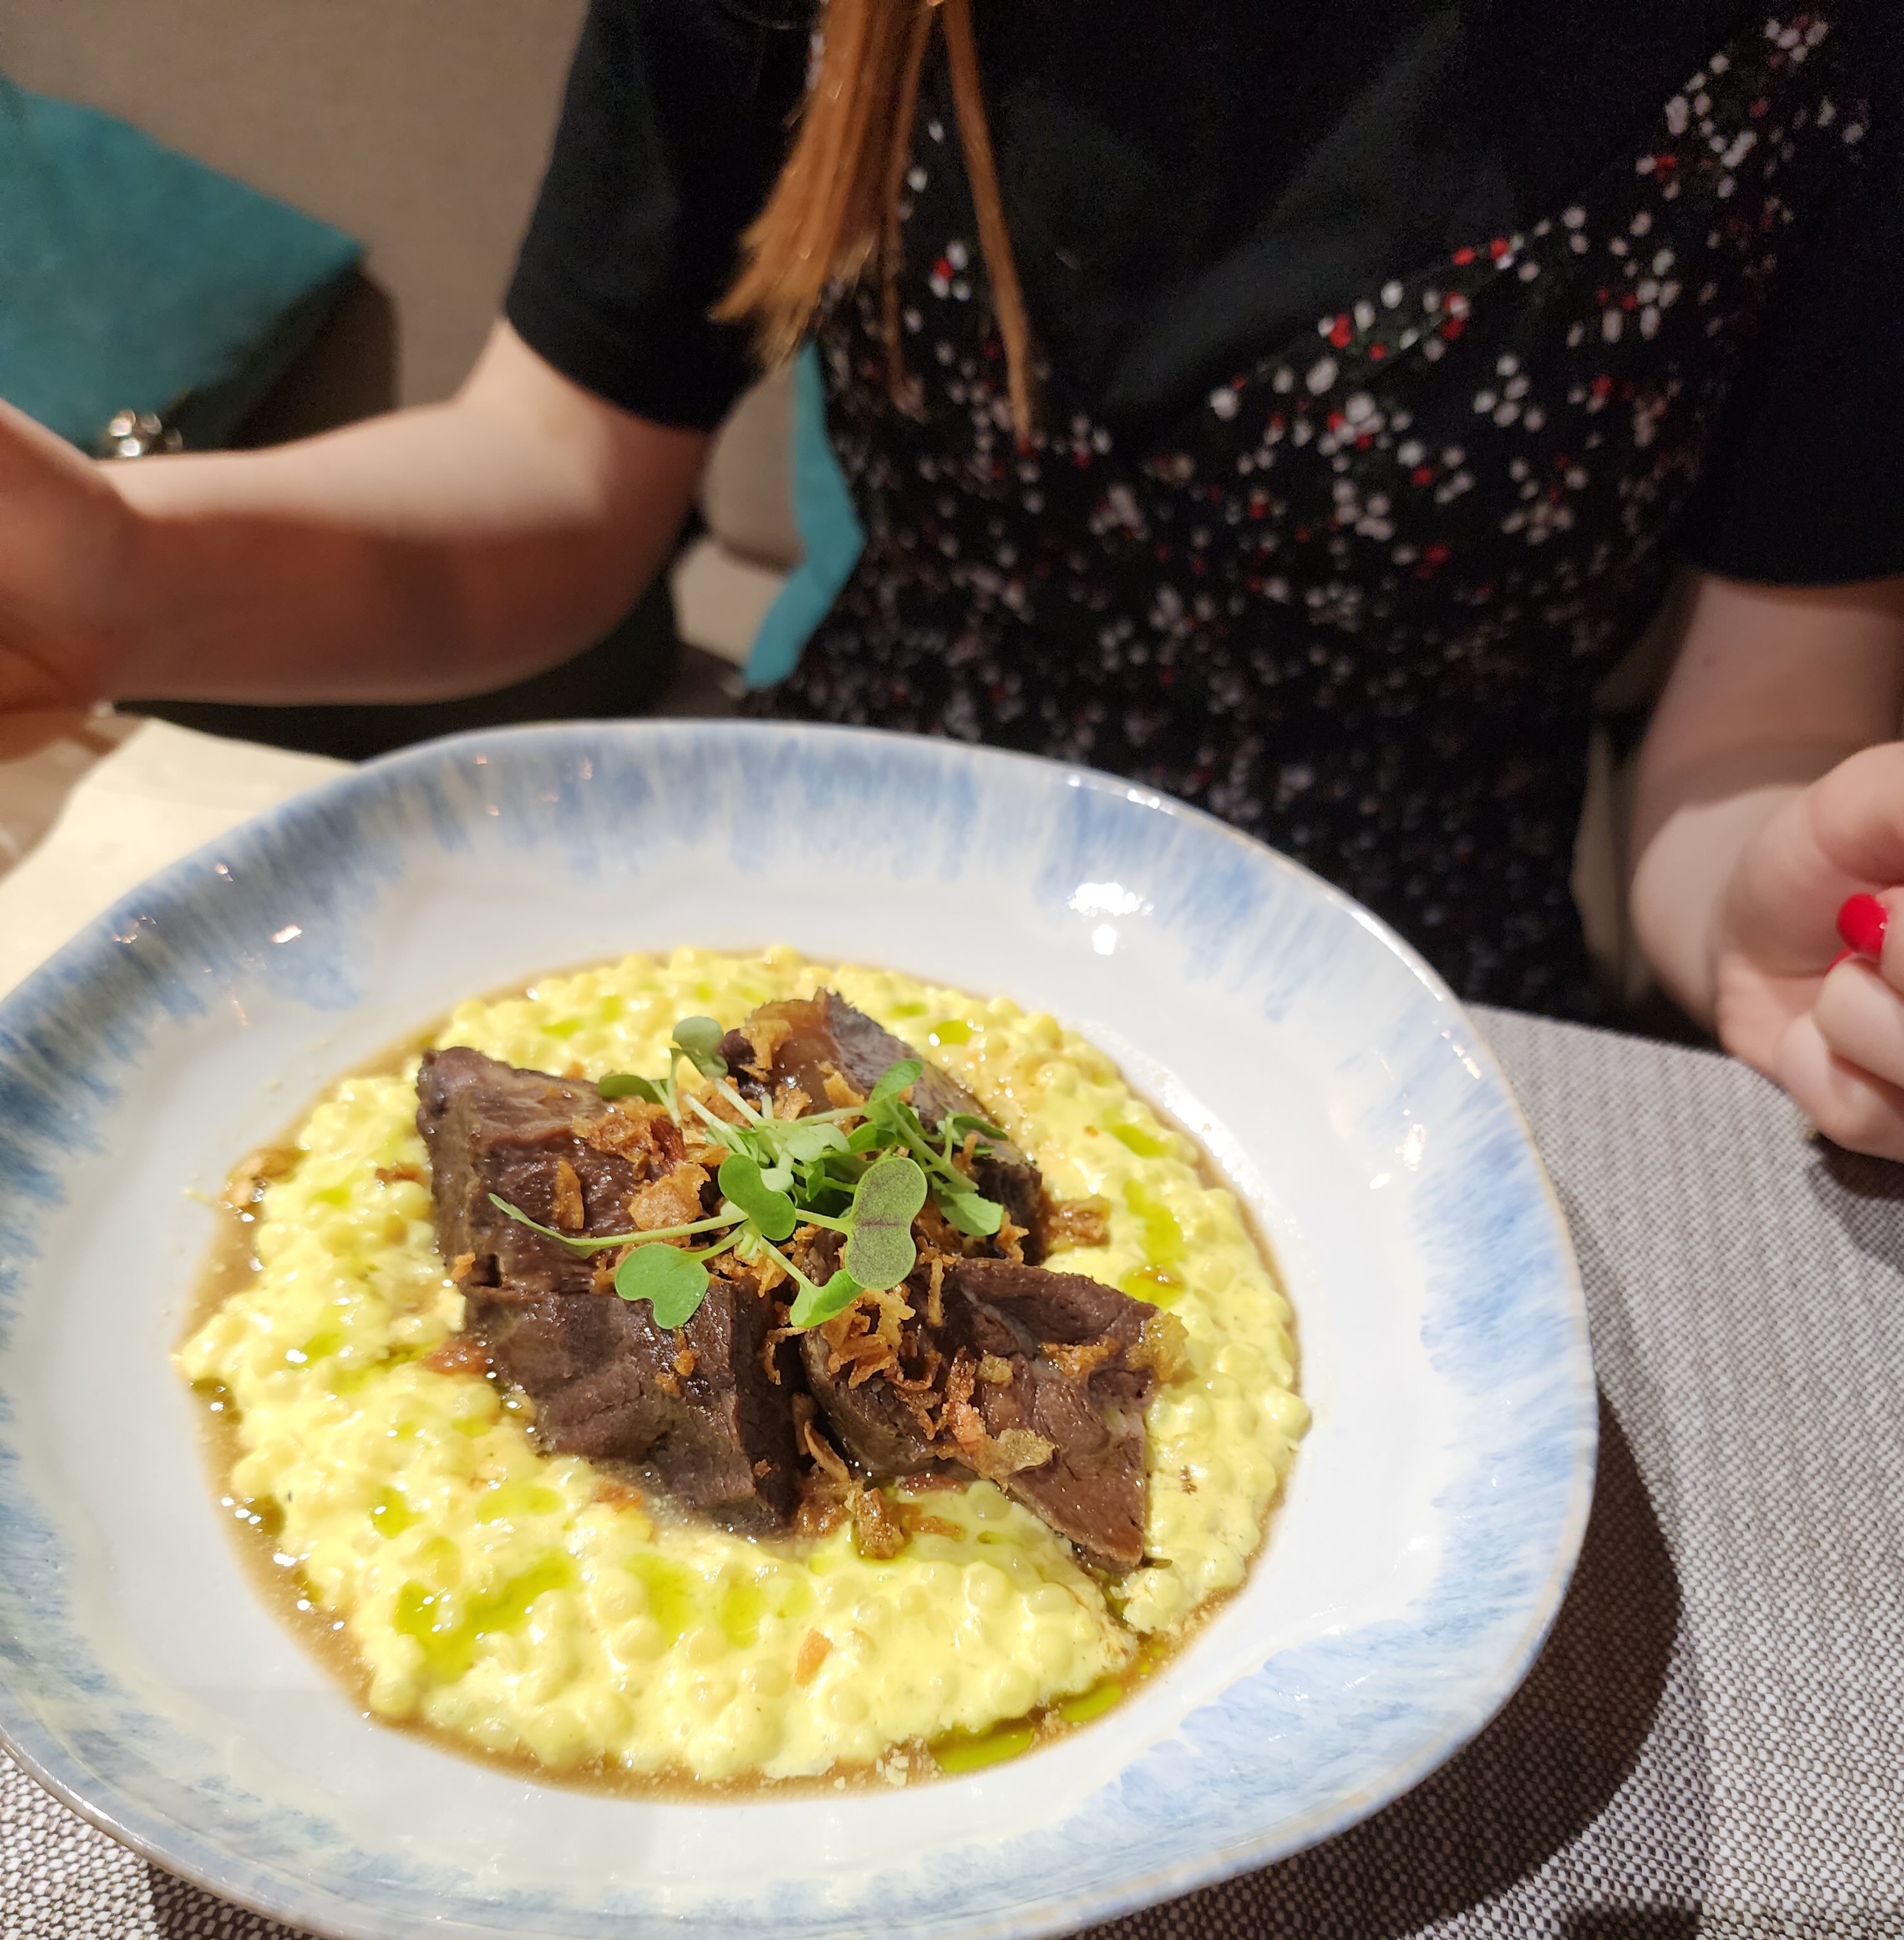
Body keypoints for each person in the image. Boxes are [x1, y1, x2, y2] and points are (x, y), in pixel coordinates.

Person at [3, 1, 1902, 1152]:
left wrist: (1789, 914)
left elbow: (1765, 732)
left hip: (1408, 1018)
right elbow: (557, 476)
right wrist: (128, 572)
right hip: (805, 895)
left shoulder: (1824, 59)